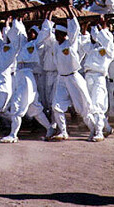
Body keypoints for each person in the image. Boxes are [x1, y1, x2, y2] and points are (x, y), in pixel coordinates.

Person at [0, 18, 56, 143]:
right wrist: (15, 22)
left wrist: (48, 18)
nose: (30, 34)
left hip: (26, 77)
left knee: (17, 104)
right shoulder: (23, 45)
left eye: (33, 32)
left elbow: (45, 32)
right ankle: (49, 128)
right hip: (21, 76)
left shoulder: (36, 44)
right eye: (29, 32)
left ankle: (13, 134)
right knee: (34, 107)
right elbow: (16, 35)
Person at [43, 7, 95, 141]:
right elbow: (46, 33)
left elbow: (75, 28)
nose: (57, 36)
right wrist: (48, 15)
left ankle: (95, 129)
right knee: (56, 106)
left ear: (65, 34)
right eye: (56, 34)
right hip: (61, 78)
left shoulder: (71, 43)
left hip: (74, 77)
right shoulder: (55, 45)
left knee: (83, 107)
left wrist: (69, 10)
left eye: (59, 34)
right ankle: (63, 131)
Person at [80, 18, 114, 142]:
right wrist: (85, 28)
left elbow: (107, 40)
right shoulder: (93, 47)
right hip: (88, 76)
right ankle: (99, 128)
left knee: (98, 104)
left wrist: (103, 25)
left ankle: (99, 131)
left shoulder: (109, 50)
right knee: (89, 105)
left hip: (99, 77)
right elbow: (84, 44)